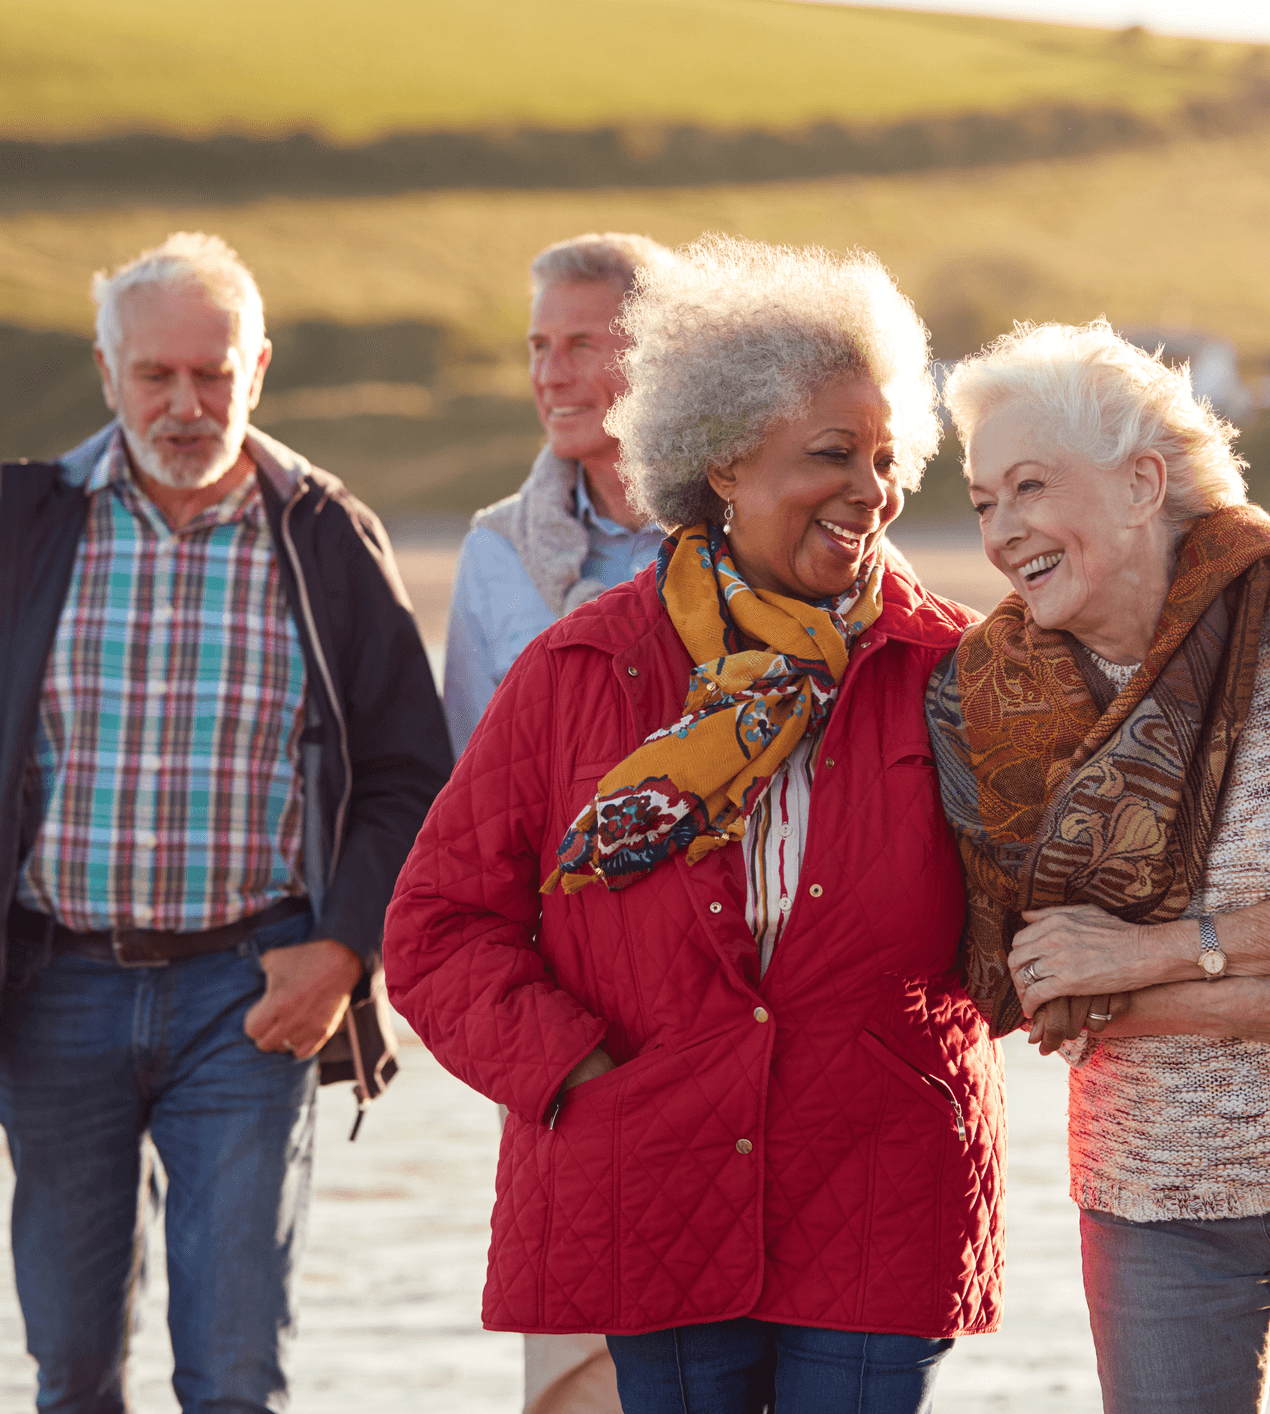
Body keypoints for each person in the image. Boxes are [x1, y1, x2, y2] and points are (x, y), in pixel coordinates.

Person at [384, 235, 1005, 1414]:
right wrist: (574, 1068)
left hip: (879, 1181)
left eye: (885, 456)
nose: (871, 491)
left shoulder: (955, 672)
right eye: (831, 454)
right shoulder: (577, 668)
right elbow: (437, 924)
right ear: (722, 462)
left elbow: (1032, 915)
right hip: (647, 1172)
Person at [0, 233, 451, 1413]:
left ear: (257, 368)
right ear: (108, 374)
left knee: (236, 1371)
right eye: (157, 375)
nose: (186, 404)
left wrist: (344, 948)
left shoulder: (325, 536)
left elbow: (410, 772)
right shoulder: (21, 521)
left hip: (252, 998)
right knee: (70, 1367)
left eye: (213, 374)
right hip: (50, 991)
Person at [925, 319, 1270, 1413]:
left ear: (1140, 483)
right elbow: (1047, 998)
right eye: (983, 502)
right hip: (1149, 1202)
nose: (1002, 530)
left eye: (1029, 485)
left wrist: (1154, 952)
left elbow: (1093, 974)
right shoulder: (980, 700)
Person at [443, 232, 670, 755]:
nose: (549, 376)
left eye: (580, 345)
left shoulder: (758, 534)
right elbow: (468, 784)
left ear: (661, 358)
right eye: (539, 348)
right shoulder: (494, 550)